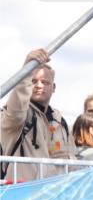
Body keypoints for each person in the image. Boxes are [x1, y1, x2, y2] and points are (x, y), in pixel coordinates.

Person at [0, 49, 75, 181]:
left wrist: (68, 159)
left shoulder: (60, 121)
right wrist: (26, 71)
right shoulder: (19, 114)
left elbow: (75, 161)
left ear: (54, 87)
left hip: (54, 195)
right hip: (21, 195)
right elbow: (16, 110)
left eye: (45, 82)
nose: (39, 86)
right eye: (33, 81)